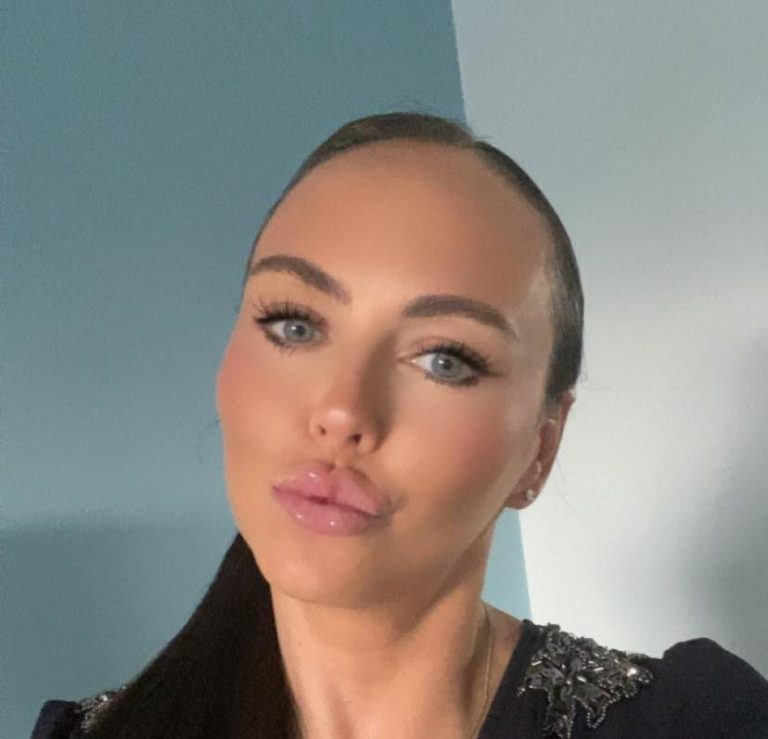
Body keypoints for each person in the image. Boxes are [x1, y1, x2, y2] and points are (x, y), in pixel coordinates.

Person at [31, 112, 768, 739]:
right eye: (293, 324)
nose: (342, 410)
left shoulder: (698, 720)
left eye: (445, 359)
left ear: (539, 451)